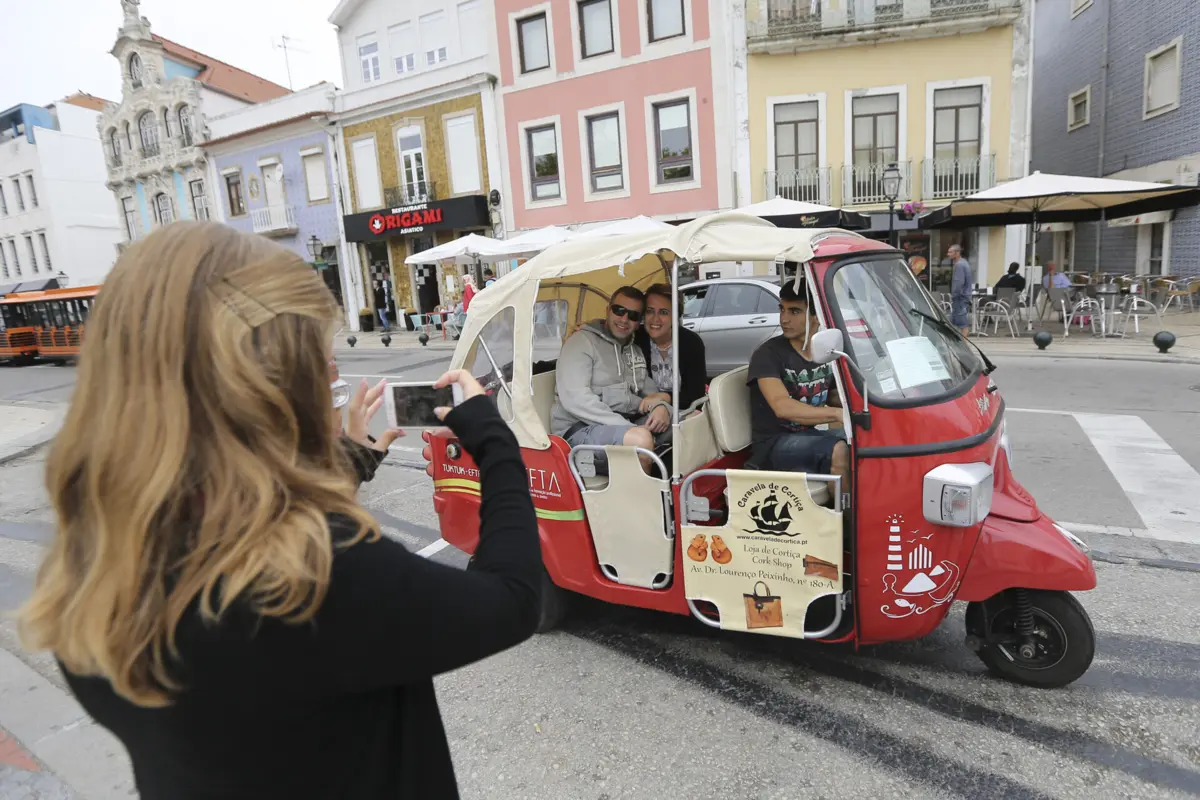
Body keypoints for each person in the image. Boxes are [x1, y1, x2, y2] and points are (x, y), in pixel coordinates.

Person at [19, 222, 542, 800]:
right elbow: (512, 602)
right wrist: (494, 440)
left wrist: (349, 461)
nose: (331, 387)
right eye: (322, 369)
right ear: (270, 388)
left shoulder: (95, 554)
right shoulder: (314, 579)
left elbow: (238, 504)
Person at [747, 279, 847, 499]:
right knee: (840, 449)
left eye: (794, 311)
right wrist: (836, 413)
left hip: (809, 436)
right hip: (773, 444)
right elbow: (782, 407)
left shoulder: (824, 352)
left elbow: (833, 395)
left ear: (816, 316)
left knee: (863, 440)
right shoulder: (768, 354)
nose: (784, 319)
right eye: (782, 309)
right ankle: (850, 527)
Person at [550, 286, 669, 468]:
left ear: (639, 322)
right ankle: (642, 496)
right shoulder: (581, 342)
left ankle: (678, 489)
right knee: (641, 440)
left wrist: (660, 406)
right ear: (608, 310)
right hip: (579, 430)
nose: (624, 319)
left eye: (633, 315)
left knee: (686, 421)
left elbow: (649, 391)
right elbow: (576, 400)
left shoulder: (633, 350)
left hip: (622, 422)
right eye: (619, 310)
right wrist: (627, 427)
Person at [634, 283, 707, 411]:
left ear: (675, 316)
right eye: (650, 311)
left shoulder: (691, 342)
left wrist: (665, 398)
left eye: (663, 312)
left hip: (685, 414)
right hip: (646, 413)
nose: (655, 319)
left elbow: (696, 395)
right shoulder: (636, 339)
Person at [948, 244, 973, 337]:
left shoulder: (959, 265)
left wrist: (954, 295)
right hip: (963, 296)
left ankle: (964, 343)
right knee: (953, 320)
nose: (948, 254)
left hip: (960, 297)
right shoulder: (964, 263)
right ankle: (954, 341)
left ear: (957, 253)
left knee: (962, 322)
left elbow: (959, 282)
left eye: (950, 252)